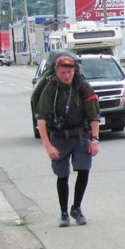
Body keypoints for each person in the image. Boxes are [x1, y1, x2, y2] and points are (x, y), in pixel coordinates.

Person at [35, 54, 101, 227]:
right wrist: (47, 145)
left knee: (84, 169)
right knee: (62, 175)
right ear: (57, 72)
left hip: (80, 135)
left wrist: (94, 140)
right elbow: (41, 119)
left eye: (70, 72)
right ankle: (64, 213)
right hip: (59, 137)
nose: (67, 76)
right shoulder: (50, 90)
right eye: (63, 72)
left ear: (74, 71)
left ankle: (76, 208)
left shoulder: (83, 87)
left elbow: (94, 116)